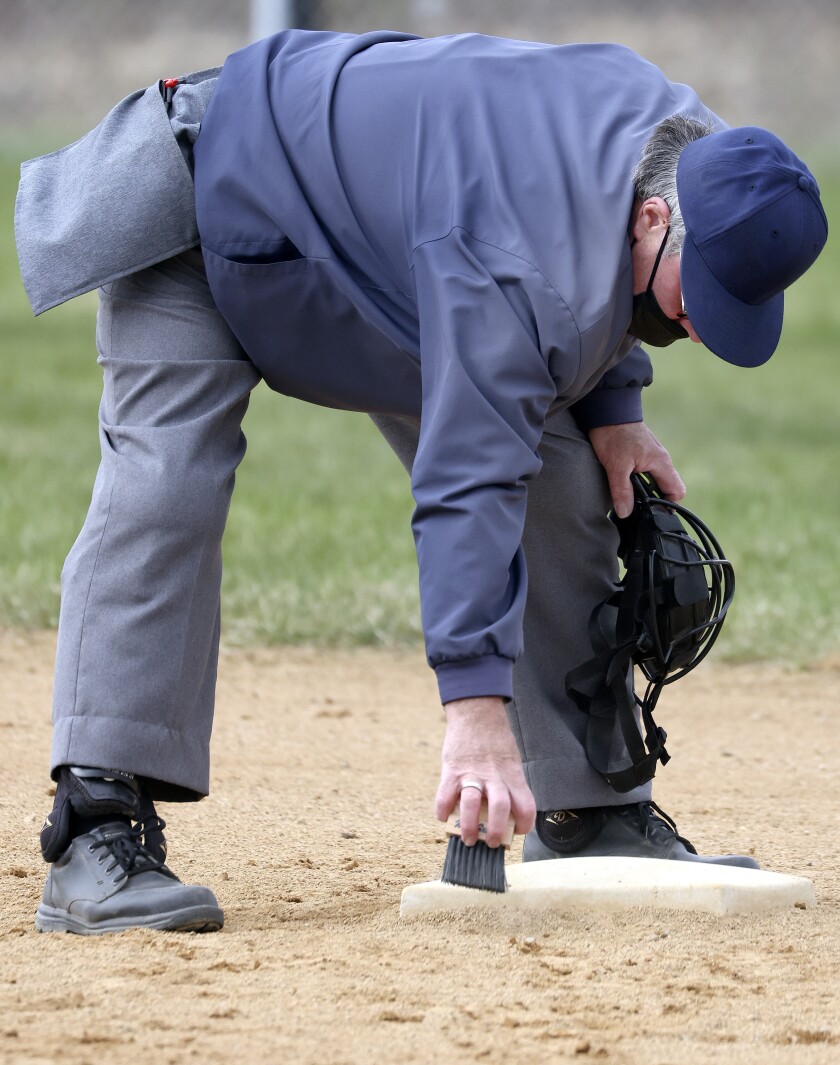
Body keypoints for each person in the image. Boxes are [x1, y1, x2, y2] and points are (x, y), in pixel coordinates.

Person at [15, 30, 827, 935]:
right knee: (165, 482)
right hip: (215, 210)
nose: (704, 328)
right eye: (697, 297)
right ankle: (94, 825)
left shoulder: (693, 157)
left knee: (566, 462)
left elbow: (592, 296)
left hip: (395, 250)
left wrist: (615, 409)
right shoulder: (523, 255)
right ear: (652, 221)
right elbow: (466, 481)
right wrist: (475, 712)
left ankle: (588, 806)